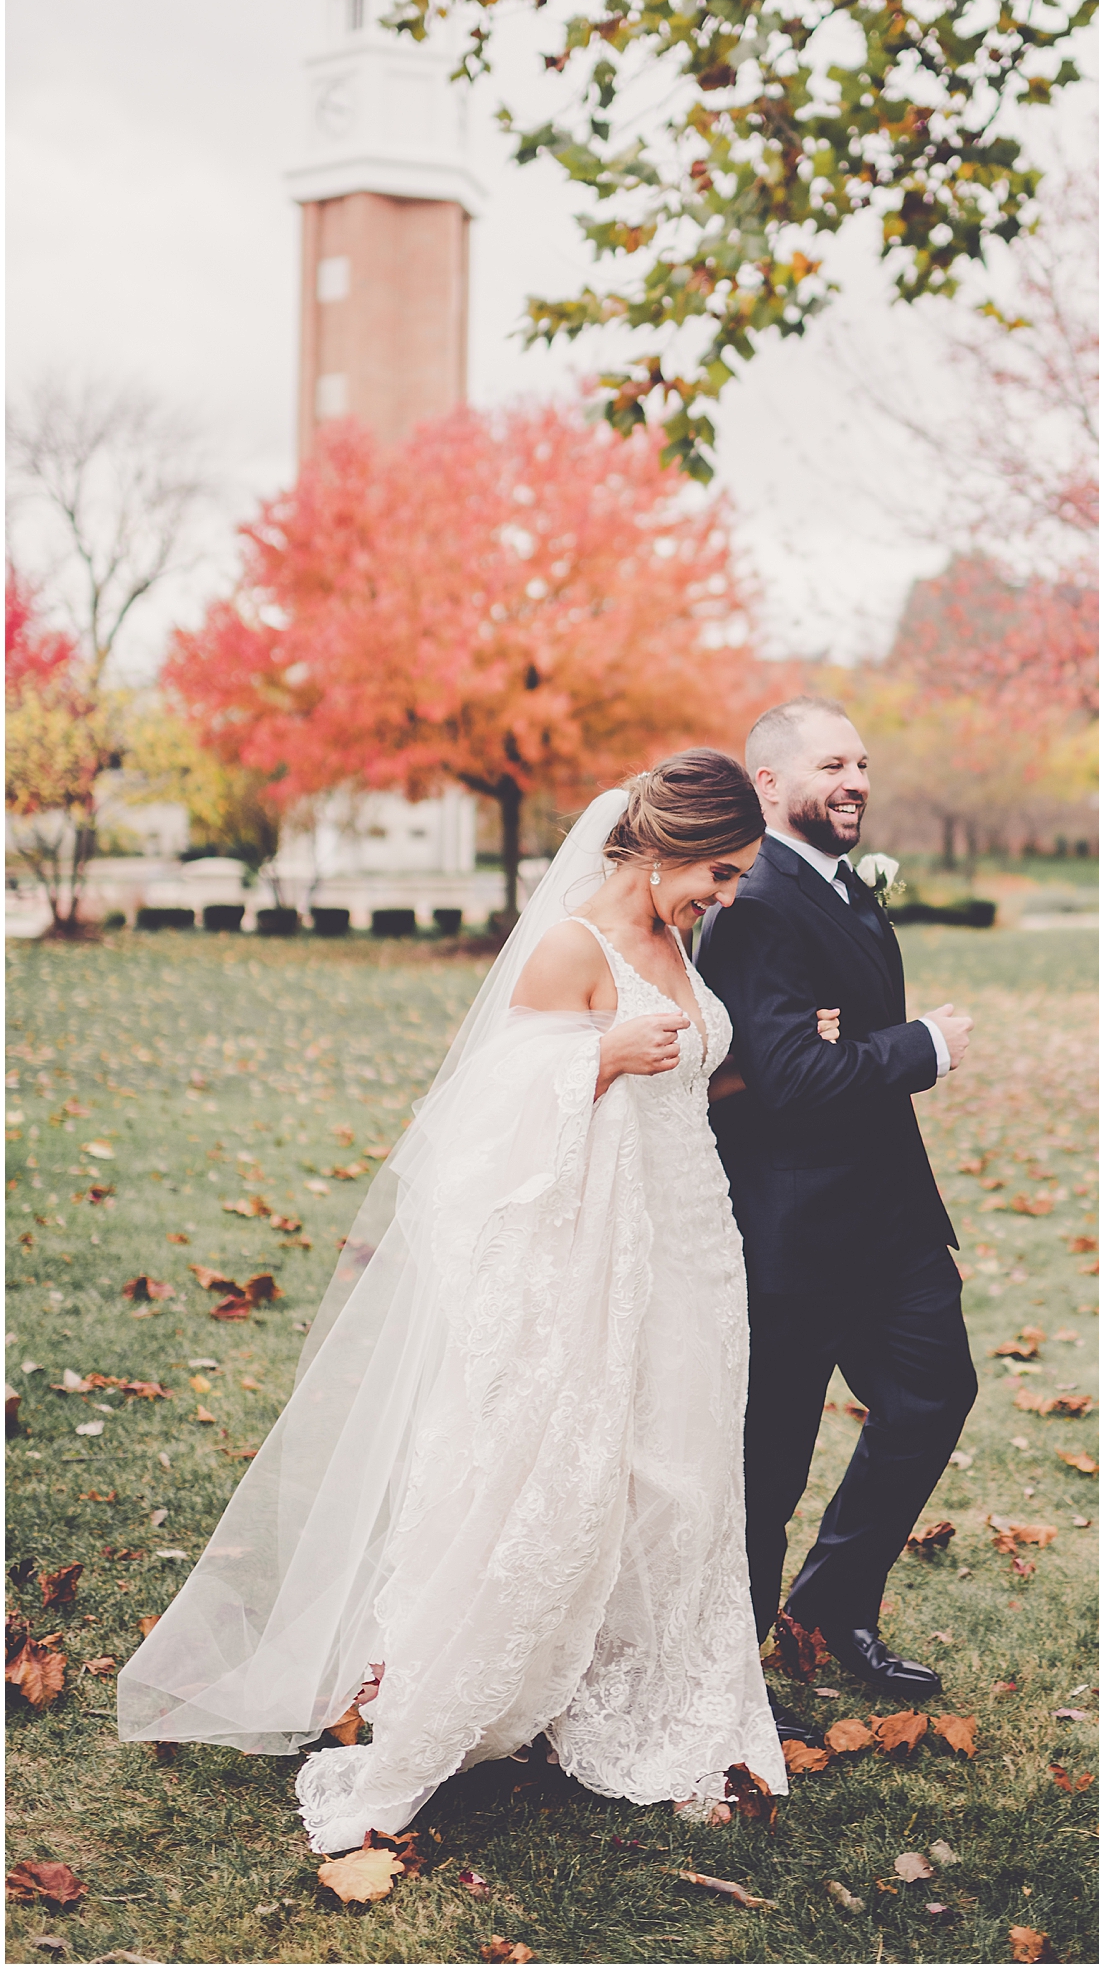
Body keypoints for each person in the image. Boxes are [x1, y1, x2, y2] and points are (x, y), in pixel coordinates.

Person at [119, 751, 828, 1852]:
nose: (724, 898)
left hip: (697, 1249)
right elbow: (477, 1129)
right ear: (671, 844)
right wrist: (597, 1057)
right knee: (584, 1472)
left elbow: (690, 1078)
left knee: (686, 1478)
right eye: (721, 874)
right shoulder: (568, 947)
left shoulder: (677, 939)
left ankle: (669, 1712)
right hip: (601, 1261)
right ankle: (501, 1698)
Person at [696, 696, 978, 1729]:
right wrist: (924, 1047)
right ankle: (726, 1678)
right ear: (768, 783)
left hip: (890, 1224)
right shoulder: (756, 898)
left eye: (861, 761)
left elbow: (825, 1053)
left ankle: (830, 1606)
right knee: (766, 1467)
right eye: (831, 764)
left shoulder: (845, 885)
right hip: (790, 1234)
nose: (855, 780)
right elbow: (784, 1081)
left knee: (933, 1395)